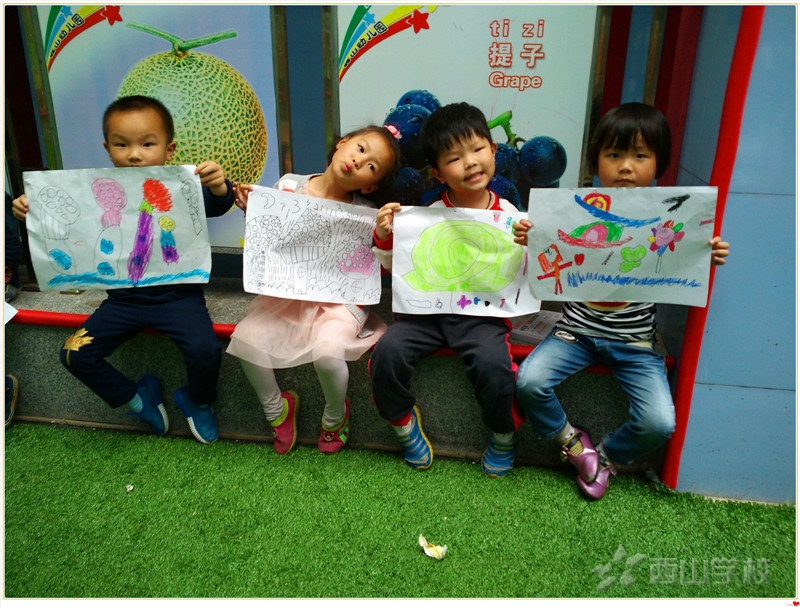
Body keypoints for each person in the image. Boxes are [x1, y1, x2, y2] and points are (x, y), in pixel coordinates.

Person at [513, 102, 730, 500]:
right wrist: (532, 236)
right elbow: (549, 252)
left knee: (660, 422)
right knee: (529, 382)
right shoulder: (573, 209)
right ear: (596, 160)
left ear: (659, 163)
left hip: (635, 344)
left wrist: (703, 253)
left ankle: (605, 457)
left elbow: (680, 258)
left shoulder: (668, 217)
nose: (626, 167)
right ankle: (573, 445)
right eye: (614, 155)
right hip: (575, 334)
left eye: (640, 156)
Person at [11, 95, 236, 444]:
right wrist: (33, 210)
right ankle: (137, 398)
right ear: (107, 148)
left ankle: (199, 401)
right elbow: (66, 221)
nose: (134, 154)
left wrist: (219, 186)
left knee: (205, 351)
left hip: (179, 299)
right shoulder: (96, 192)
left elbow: (217, 204)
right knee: (73, 353)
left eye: (147, 144)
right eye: (121, 144)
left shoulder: (180, 185)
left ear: (169, 149)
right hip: (122, 302)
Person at [370, 102, 529, 477]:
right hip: (423, 316)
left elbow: (525, 275)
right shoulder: (423, 212)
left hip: (482, 317)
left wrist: (530, 246)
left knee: (494, 366)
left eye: (477, 149)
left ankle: (503, 435)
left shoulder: (511, 216)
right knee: (387, 353)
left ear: (494, 150)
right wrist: (385, 235)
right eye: (455, 158)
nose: (470, 163)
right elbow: (395, 265)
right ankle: (403, 424)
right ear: (438, 172)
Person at [227, 125, 401, 455]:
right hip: (289, 295)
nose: (358, 160)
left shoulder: (368, 214)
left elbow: (380, 267)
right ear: (342, 143)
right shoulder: (288, 186)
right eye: (360, 148)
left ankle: (336, 414)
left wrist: (381, 235)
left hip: (340, 303)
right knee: (245, 342)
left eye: (371, 166)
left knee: (328, 352)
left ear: (371, 185)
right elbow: (272, 236)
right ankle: (277, 411)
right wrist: (253, 209)